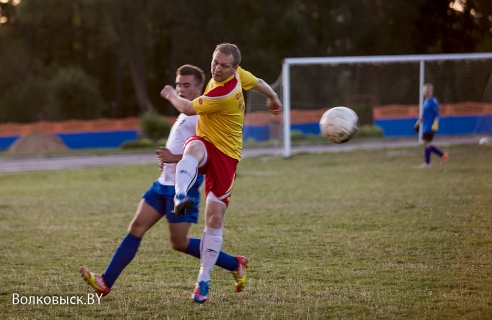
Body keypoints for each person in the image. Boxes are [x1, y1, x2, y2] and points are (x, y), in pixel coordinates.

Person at [79, 64, 247, 297]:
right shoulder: (183, 113)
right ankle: (105, 282)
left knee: (179, 243)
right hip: (162, 185)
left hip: (183, 189)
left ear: (199, 87)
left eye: (186, 85)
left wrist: (175, 158)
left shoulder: (201, 114)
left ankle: (235, 264)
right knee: (136, 227)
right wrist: (169, 160)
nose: (180, 89)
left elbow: (208, 155)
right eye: (178, 85)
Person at [160, 43, 282, 303]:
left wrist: (171, 93)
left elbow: (188, 108)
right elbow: (258, 81)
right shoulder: (239, 75)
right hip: (206, 142)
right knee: (192, 147)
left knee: (214, 220)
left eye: (224, 65)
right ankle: (181, 195)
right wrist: (273, 97)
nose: (217, 68)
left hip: (227, 157)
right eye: (215, 62)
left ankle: (203, 280)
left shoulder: (224, 94)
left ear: (234, 68)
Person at [414, 83, 448, 168]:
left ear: (431, 92)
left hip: (431, 126)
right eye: (425, 91)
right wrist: (418, 123)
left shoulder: (433, 101)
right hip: (425, 125)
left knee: (425, 143)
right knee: (426, 144)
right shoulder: (426, 102)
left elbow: (437, 113)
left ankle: (428, 163)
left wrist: (435, 123)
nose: (427, 93)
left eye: (428, 91)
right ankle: (442, 155)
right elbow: (423, 116)